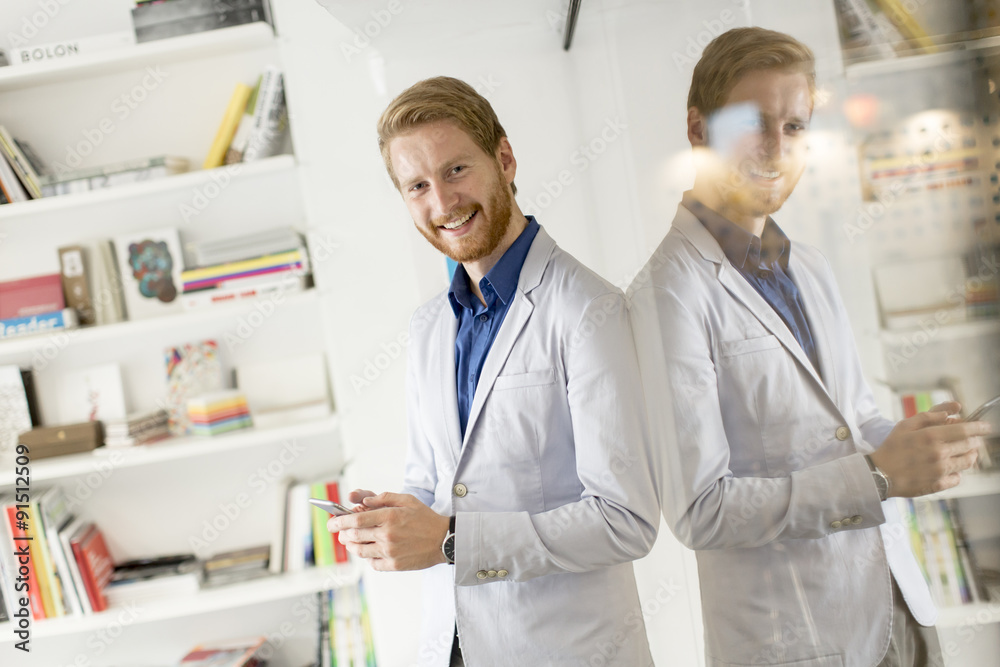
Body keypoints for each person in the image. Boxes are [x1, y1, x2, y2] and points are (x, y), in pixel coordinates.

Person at [627, 27, 991, 667]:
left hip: (898, 605)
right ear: (698, 128)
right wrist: (879, 476)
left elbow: (852, 421)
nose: (775, 148)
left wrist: (920, 442)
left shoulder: (811, 267)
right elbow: (700, 510)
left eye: (794, 127)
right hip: (796, 641)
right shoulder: (666, 294)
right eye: (753, 124)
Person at [327, 76, 660, 667]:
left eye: (456, 170)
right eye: (418, 186)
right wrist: (392, 517)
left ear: (504, 159)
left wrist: (453, 539)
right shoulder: (431, 325)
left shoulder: (588, 310)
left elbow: (624, 520)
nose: (443, 203)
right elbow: (435, 483)